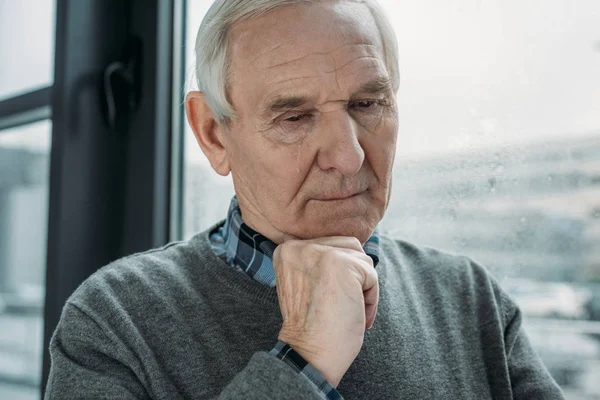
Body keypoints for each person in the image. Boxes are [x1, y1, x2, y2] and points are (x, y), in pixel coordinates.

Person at [44, 0, 565, 398]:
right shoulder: (114, 320)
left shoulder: (470, 297)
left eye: (368, 103)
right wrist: (303, 359)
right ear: (212, 135)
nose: (348, 156)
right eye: (294, 118)